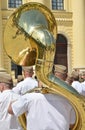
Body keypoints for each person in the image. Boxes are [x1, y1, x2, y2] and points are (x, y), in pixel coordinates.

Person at [8, 92, 76, 130]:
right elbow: (72, 123)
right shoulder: (68, 100)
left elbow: (11, 110)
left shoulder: (30, 97)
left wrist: (14, 100)